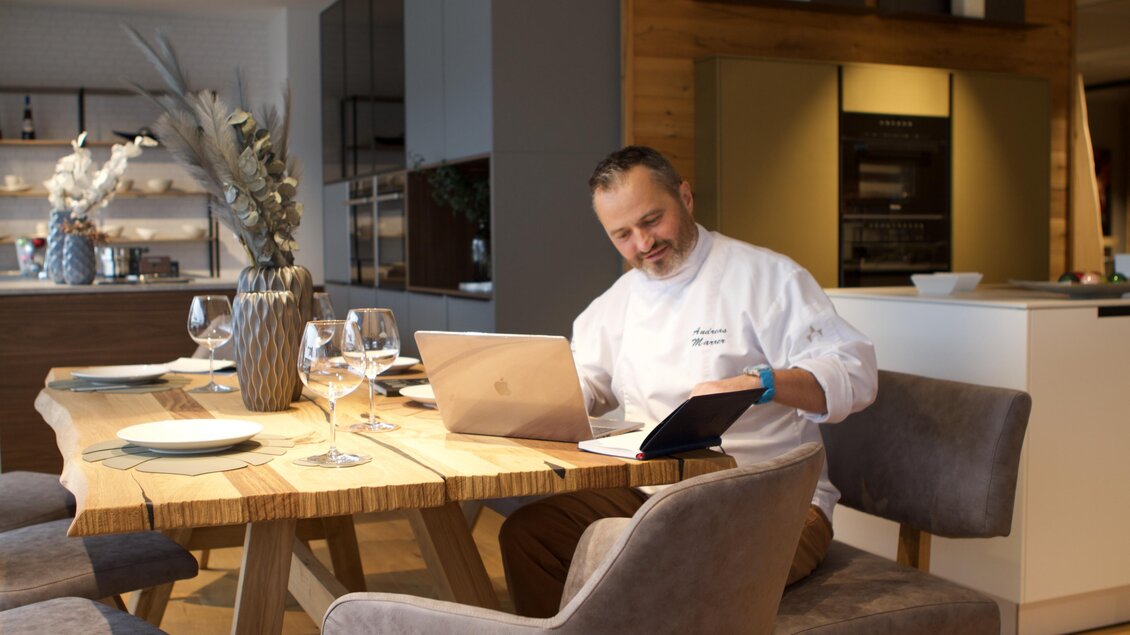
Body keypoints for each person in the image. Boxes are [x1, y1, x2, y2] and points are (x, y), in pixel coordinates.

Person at [498, 146, 879, 618]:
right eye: (623, 235)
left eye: (652, 220)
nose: (642, 243)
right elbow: (584, 382)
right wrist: (525, 395)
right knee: (532, 534)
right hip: (653, 496)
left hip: (772, 501)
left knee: (663, 563)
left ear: (685, 196)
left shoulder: (768, 278)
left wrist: (761, 382)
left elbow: (855, 372)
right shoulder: (615, 304)